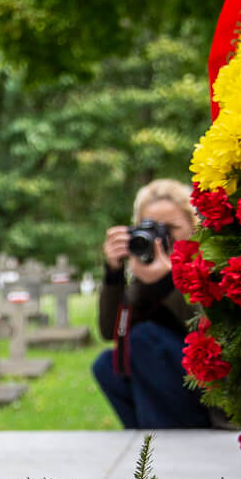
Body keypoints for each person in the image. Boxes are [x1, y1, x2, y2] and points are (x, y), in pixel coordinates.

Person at [91, 179, 208, 429]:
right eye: (152, 227)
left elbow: (209, 327)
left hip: (206, 385)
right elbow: (109, 331)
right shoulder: (144, 269)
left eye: (171, 228)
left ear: (193, 227)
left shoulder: (207, 263)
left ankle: (159, 440)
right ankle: (146, 437)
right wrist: (113, 273)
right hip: (169, 380)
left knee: (145, 338)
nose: (161, 236)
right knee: (106, 364)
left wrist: (169, 280)